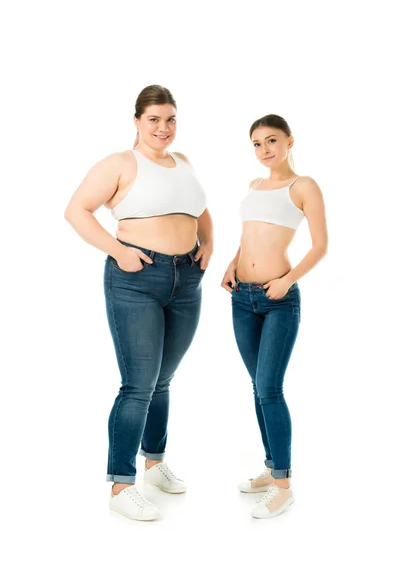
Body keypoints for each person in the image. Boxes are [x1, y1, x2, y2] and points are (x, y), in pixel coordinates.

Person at [65, 85, 213, 521]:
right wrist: (118, 250)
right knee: (138, 384)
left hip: (186, 280)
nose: (163, 128)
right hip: (136, 278)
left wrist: (209, 244)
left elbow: (201, 212)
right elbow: (76, 210)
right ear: (136, 121)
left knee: (163, 381)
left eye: (170, 119)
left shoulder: (183, 163)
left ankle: (154, 462)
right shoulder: (120, 163)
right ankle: (121, 484)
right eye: (154, 119)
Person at [221, 114, 327, 519]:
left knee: (269, 389)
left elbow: (320, 246)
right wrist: (232, 264)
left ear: (289, 141)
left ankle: (283, 486)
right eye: (257, 143)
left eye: (271, 141)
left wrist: (288, 280)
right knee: (257, 387)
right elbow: (248, 236)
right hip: (241, 298)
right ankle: (271, 467)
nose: (264, 150)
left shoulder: (304, 186)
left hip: (278, 299)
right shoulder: (254, 186)